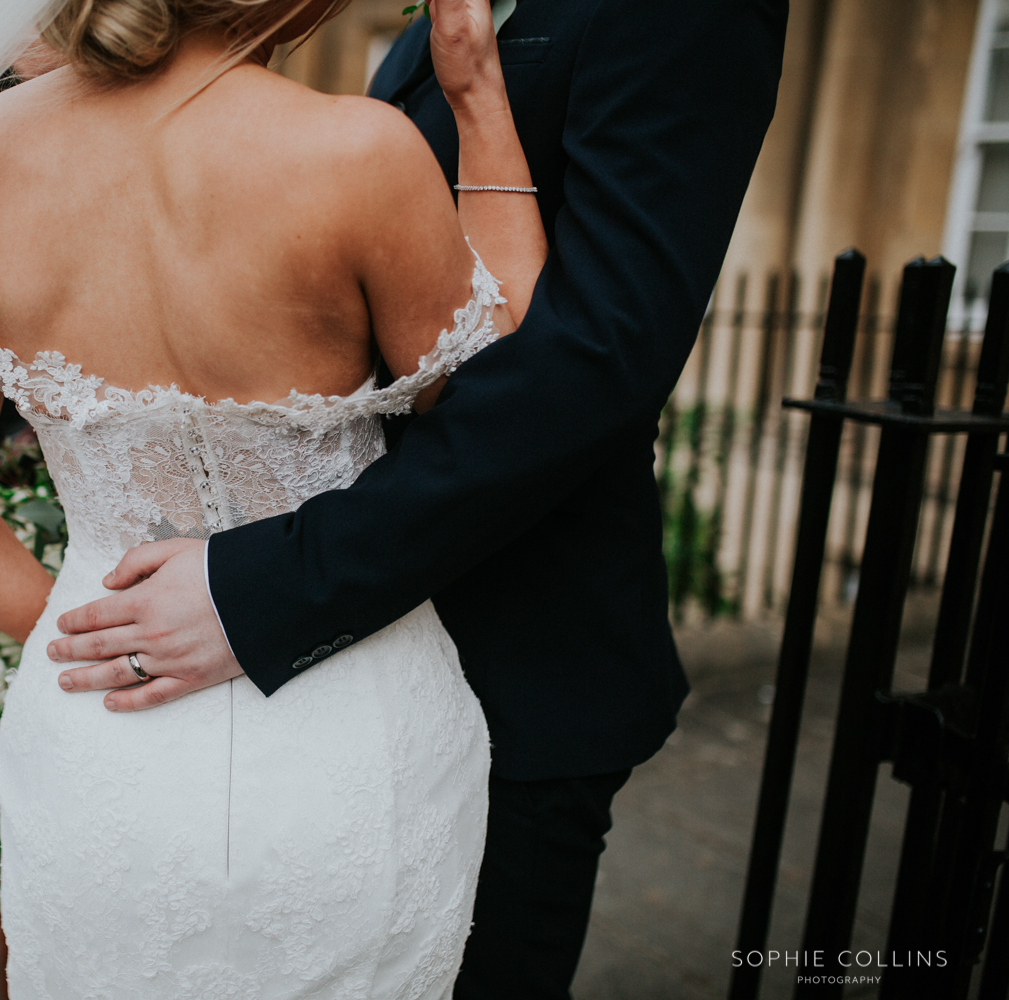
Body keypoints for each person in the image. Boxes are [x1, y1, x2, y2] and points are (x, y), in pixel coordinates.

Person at [45, 1, 787, 998]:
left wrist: (264, 588)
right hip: (354, 667)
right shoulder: (432, 25)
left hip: (513, 657)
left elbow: (594, 363)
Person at [0, 0, 551, 993]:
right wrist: (480, 95)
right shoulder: (359, 154)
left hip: (104, 734)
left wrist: (100, 635)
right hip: (348, 729)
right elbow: (511, 393)